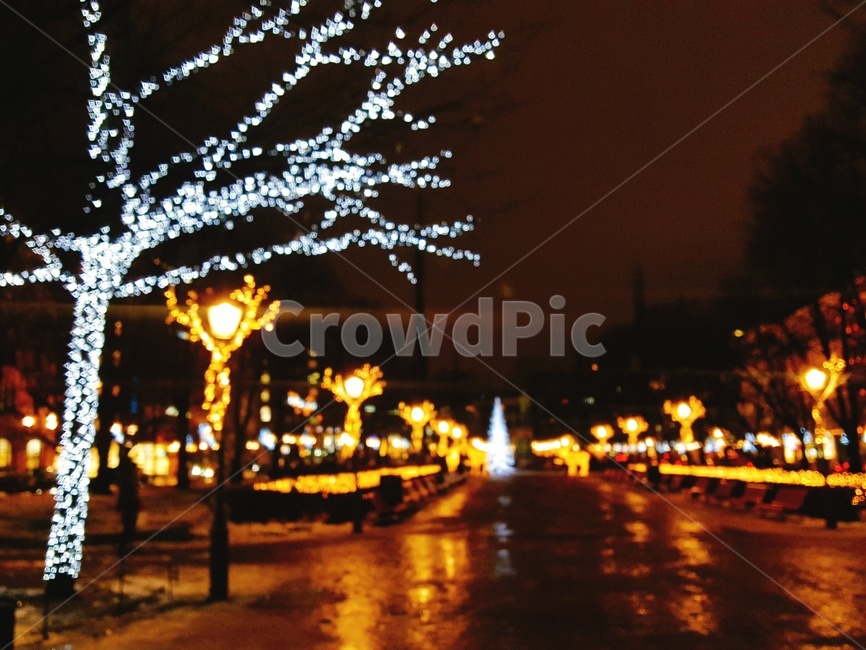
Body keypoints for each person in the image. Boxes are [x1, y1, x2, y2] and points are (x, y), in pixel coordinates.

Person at [116, 446, 141, 555]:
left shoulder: (125, 473)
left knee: (128, 525)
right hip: (130, 502)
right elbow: (130, 488)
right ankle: (124, 546)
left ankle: (125, 546)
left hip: (129, 502)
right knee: (129, 525)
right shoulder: (128, 474)